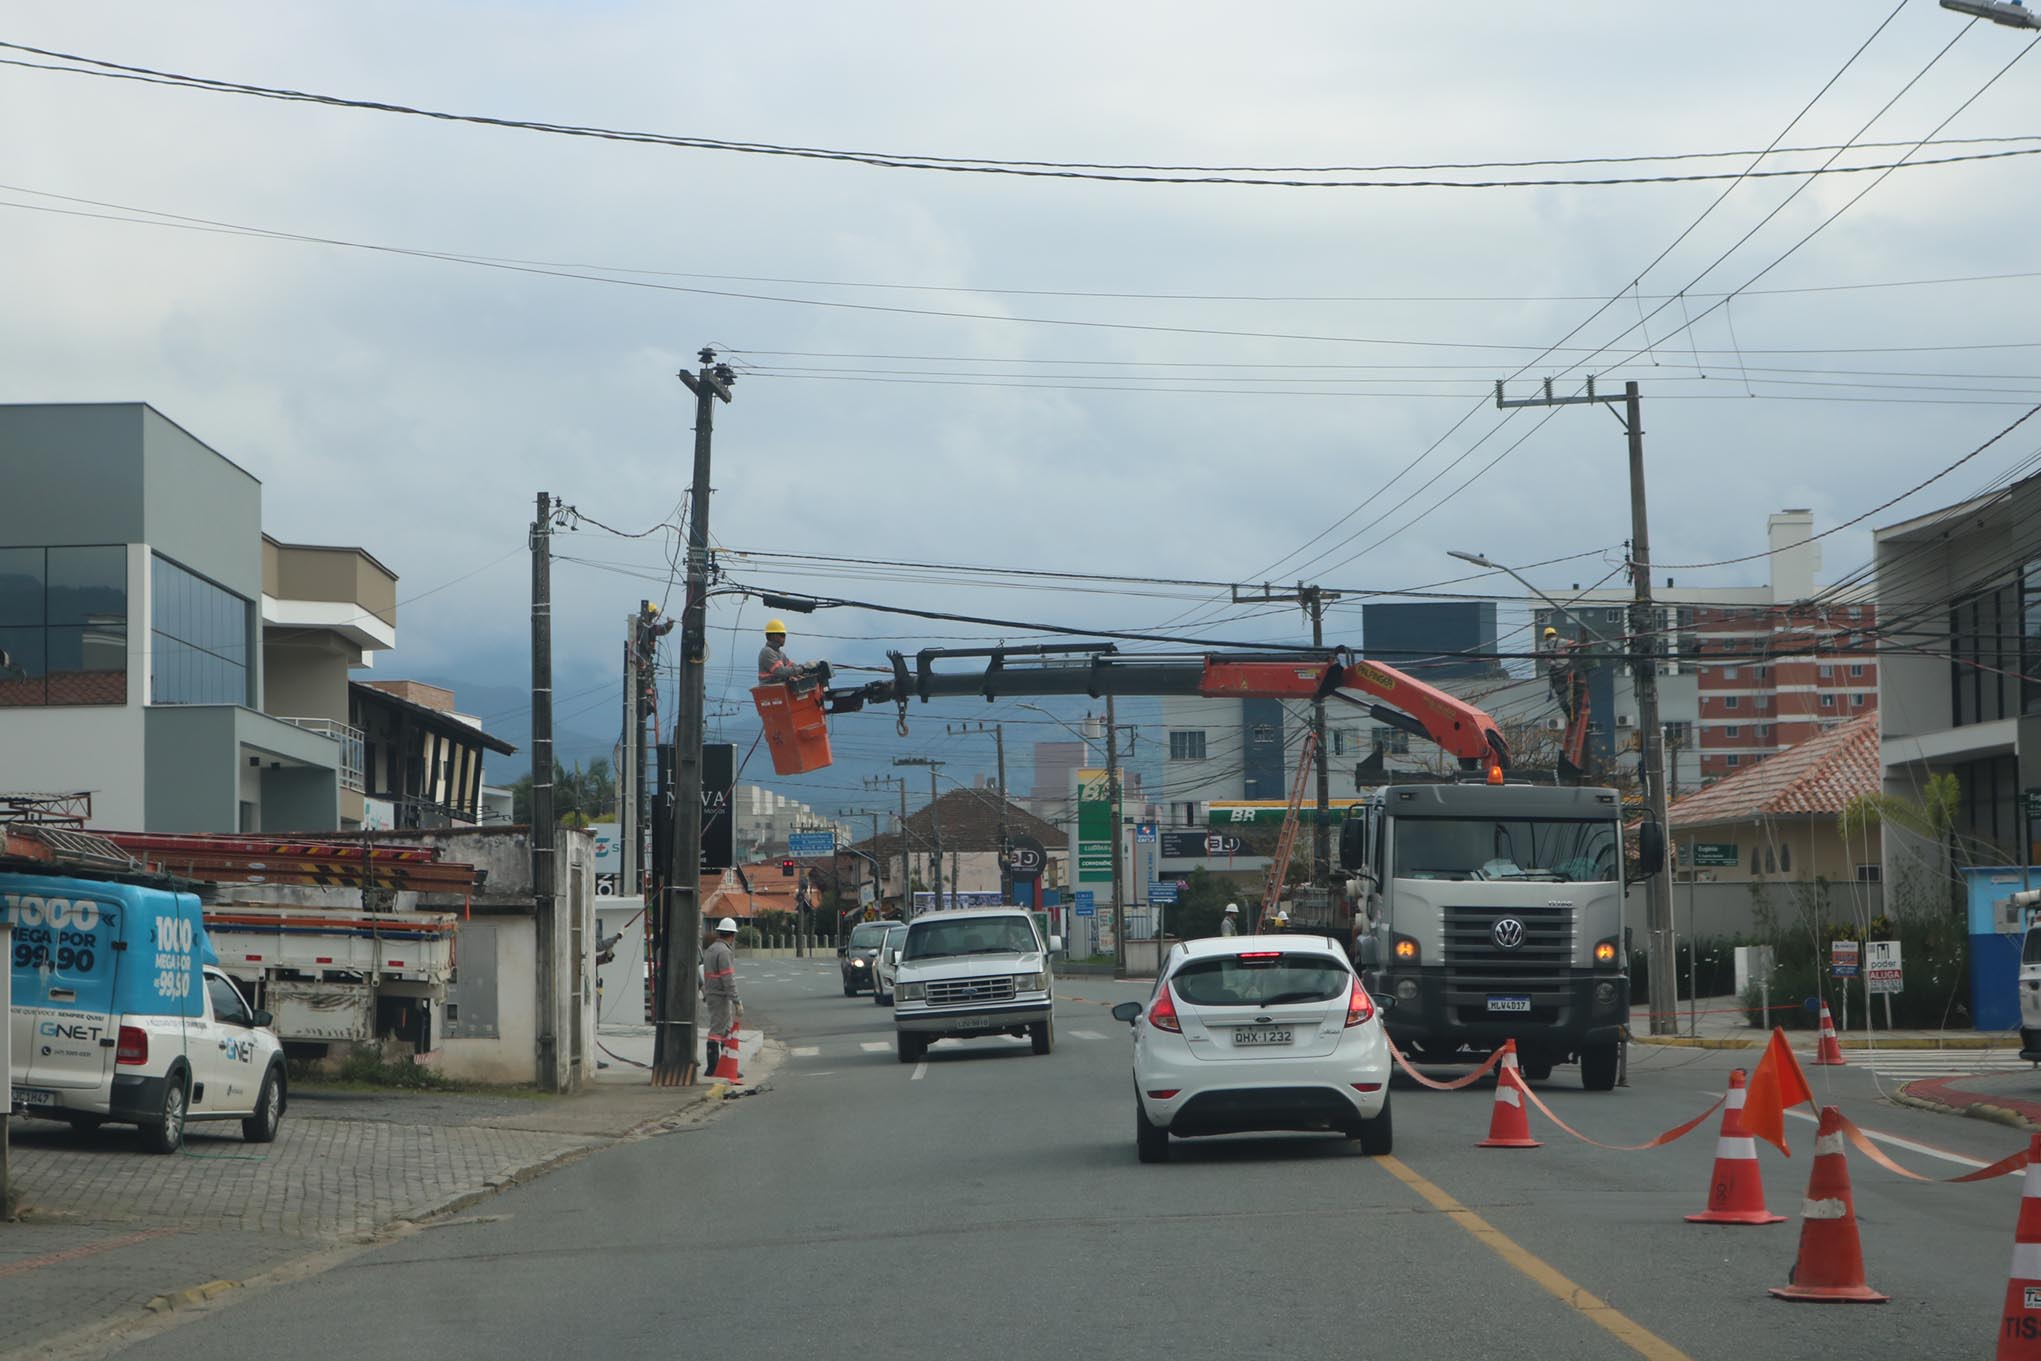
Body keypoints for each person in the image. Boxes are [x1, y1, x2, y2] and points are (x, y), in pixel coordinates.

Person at [702, 916, 742, 1076]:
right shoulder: (724, 952)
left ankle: (725, 1067)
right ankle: (712, 1068)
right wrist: (736, 1000)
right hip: (720, 996)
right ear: (732, 935)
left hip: (712, 993)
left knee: (725, 1031)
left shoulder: (710, 949)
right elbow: (728, 978)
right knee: (717, 1030)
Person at [758, 619, 819, 690]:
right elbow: (781, 672)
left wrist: (808, 667)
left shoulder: (781, 654)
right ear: (773, 636)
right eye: (782, 635)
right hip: (770, 689)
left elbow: (793, 667)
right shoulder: (767, 652)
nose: (784, 638)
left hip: (778, 687)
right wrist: (803, 668)